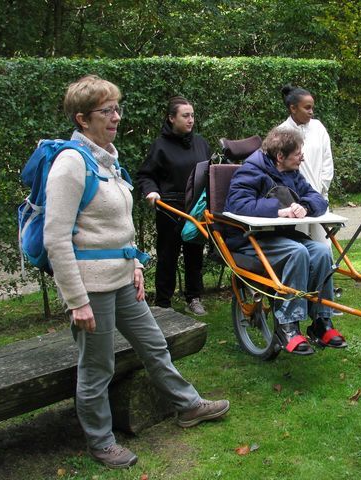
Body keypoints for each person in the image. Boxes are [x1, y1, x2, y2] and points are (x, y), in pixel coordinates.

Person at [44, 75, 229, 469]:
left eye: (117, 108)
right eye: (106, 110)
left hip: (123, 279)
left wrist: (134, 264)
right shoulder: (70, 164)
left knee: (153, 344)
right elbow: (56, 239)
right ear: (82, 118)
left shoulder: (106, 158)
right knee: (97, 367)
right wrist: (76, 301)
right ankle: (101, 441)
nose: (116, 116)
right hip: (91, 287)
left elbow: (114, 226)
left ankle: (188, 406)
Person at [223, 126, 347, 355]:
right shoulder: (250, 171)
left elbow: (317, 198)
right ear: (280, 156)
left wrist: (305, 206)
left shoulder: (292, 174)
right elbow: (237, 205)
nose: (303, 157)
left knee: (321, 251)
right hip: (249, 240)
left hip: (280, 237)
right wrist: (279, 211)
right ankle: (287, 325)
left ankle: (322, 321)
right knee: (297, 252)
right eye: (298, 153)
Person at [137, 96, 210, 316]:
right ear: (171, 118)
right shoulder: (160, 145)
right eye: (185, 116)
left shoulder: (201, 143)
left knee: (195, 255)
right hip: (170, 209)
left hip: (196, 209)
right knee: (167, 256)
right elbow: (145, 175)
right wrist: (151, 191)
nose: (190, 120)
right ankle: (163, 303)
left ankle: (194, 298)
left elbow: (209, 173)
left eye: (192, 115)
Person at [278, 84, 334, 245]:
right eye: (307, 108)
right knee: (298, 242)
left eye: (312, 108)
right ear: (293, 108)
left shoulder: (318, 127)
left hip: (319, 196)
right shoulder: (282, 132)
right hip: (294, 201)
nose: (311, 112)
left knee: (324, 243)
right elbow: (281, 168)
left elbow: (327, 160)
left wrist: (322, 188)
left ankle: (325, 271)